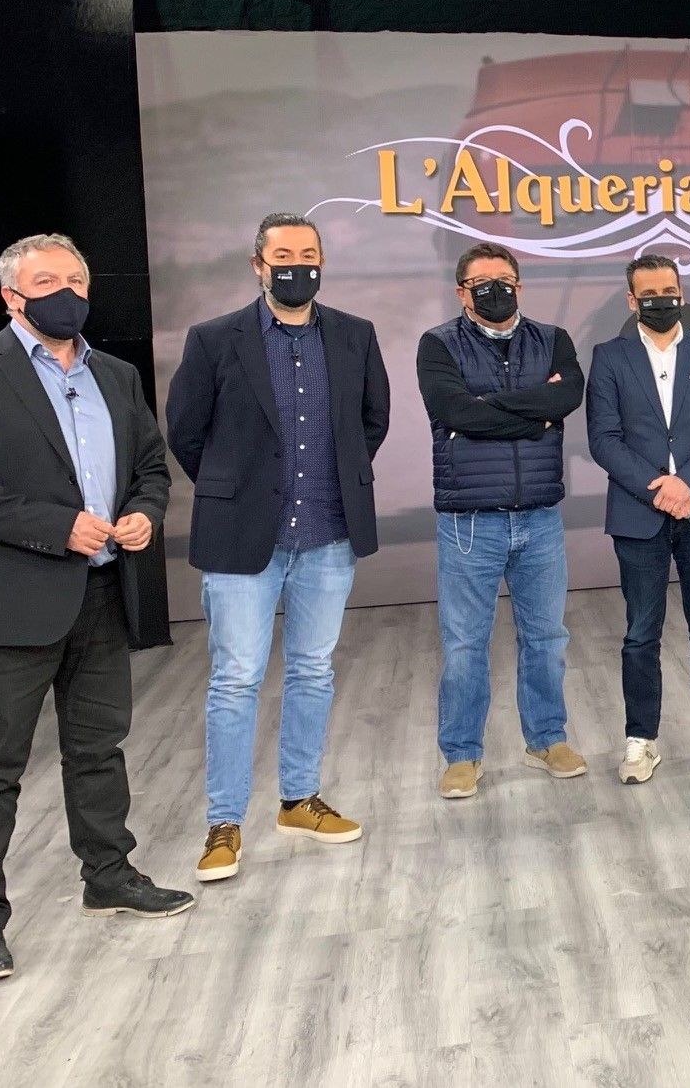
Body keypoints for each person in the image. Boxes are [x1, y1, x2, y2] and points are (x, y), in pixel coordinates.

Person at [0, 234, 194, 984]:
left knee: (99, 749)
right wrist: (55, 526)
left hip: (101, 593)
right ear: (11, 296)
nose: (67, 292)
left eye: (76, 279)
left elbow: (150, 466)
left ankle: (108, 876)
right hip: (7, 603)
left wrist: (142, 513)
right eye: (47, 282)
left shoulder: (116, 374)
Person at [166, 213, 392, 882]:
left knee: (313, 671)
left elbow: (372, 420)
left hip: (327, 534)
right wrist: (234, 489)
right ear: (258, 265)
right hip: (242, 538)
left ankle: (299, 800)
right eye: (284, 255)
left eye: (309, 253)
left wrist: (334, 479)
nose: (299, 265)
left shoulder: (354, 334)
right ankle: (224, 824)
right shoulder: (214, 339)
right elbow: (186, 432)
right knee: (236, 679)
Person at [416, 242, 588, 799]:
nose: (496, 290)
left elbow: (567, 399)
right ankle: (462, 755)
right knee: (465, 645)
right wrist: (535, 414)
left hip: (539, 516)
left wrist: (490, 408)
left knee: (547, 637)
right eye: (482, 282)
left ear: (519, 284)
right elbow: (454, 412)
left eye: (505, 280)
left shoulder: (553, 339)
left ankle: (547, 739)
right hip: (470, 522)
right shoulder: (438, 345)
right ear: (461, 292)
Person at [586, 254, 690, 783]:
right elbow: (603, 439)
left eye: (669, 291)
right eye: (649, 294)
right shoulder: (609, 357)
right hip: (639, 513)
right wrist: (660, 489)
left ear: (682, 293)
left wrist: (685, 483)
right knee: (640, 634)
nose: (661, 301)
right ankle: (641, 739)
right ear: (632, 300)